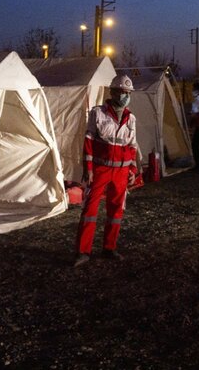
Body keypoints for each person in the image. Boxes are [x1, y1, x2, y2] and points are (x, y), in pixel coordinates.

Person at [74, 74, 139, 267]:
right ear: (113, 92)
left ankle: (109, 248)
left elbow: (132, 145)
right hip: (101, 169)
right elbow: (88, 142)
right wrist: (89, 168)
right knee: (90, 210)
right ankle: (82, 252)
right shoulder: (98, 113)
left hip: (121, 171)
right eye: (122, 92)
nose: (126, 96)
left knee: (116, 211)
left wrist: (132, 170)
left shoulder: (131, 118)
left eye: (128, 93)